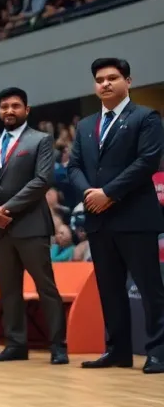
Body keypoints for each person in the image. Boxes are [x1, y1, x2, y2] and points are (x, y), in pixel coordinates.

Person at [68, 58, 164, 373]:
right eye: (100, 79)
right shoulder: (85, 125)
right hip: (99, 218)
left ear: (128, 81)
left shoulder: (146, 117)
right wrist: (89, 194)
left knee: (150, 288)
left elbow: (147, 161)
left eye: (112, 77)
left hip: (135, 216)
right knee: (110, 288)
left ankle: (159, 351)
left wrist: (108, 193)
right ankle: (118, 350)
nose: (105, 83)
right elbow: (75, 167)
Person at [0, 87, 66, 364]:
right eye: (4, 106)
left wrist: (6, 209)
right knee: (8, 289)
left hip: (31, 225)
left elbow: (41, 181)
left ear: (27, 110)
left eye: (15, 106)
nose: (9, 111)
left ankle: (58, 346)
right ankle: (15, 344)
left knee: (45, 287)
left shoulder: (41, 140)